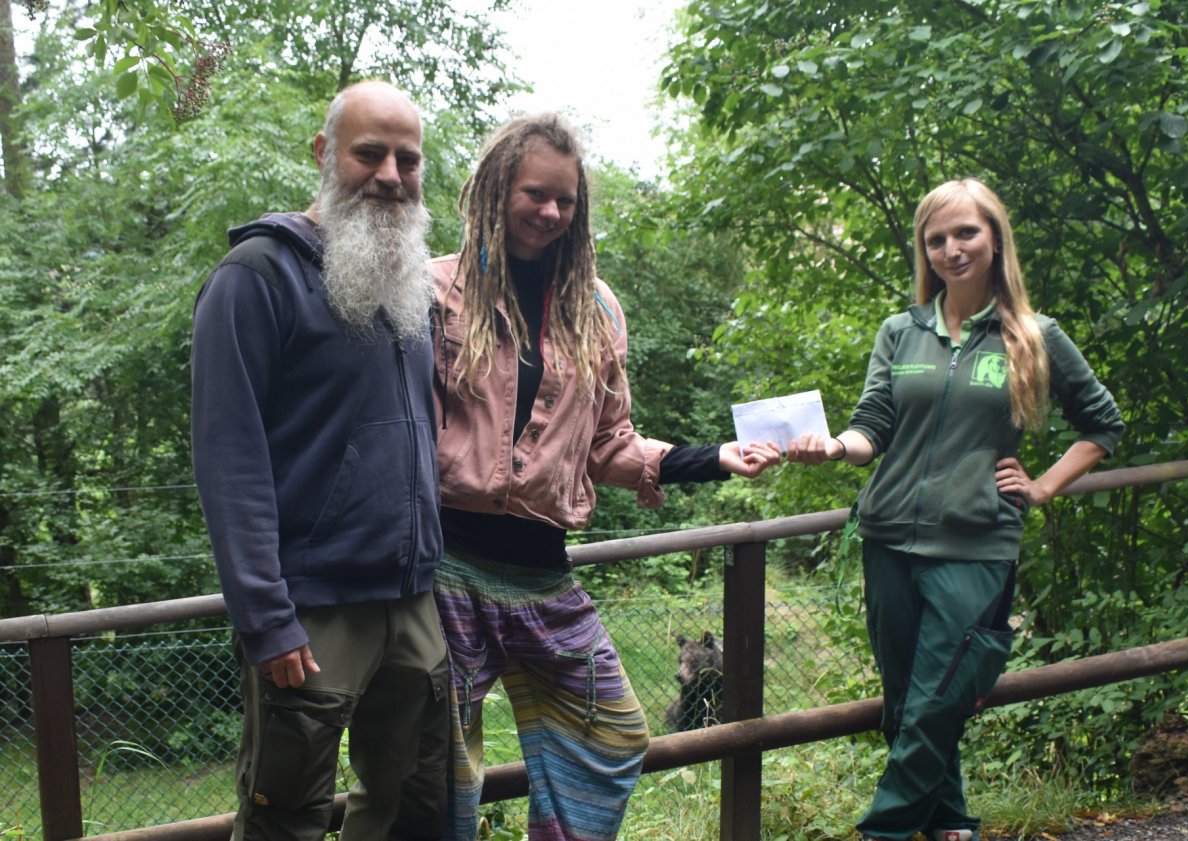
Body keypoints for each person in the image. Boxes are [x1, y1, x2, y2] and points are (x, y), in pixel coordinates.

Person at [422, 113, 780, 841]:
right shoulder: (434, 291)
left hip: (541, 575)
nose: (552, 213)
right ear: (495, 190)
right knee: (439, 772)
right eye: (535, 194)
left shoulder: (596, 310)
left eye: (567, 200)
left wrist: (712, 457)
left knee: (612, 736)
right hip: (444, 570)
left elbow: (609, 443)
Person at [788, 178, 1124, 841]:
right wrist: (832, 446)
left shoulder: (1034, 335)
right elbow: (872, 426)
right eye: (936, 238)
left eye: (965, 232)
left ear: (995, 238)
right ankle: (953, 823)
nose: (951, 248)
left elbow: (1102, 425)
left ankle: (880, 831)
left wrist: (1046, 484)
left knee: (937, 701)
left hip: (977, 545)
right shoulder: (900, 332)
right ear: (924, 250)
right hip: (887, 538)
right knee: (905, 703)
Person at [191, 80, 449, 841]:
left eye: (408, 159)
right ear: (324, 152)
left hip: (411, 601)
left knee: (409, 807)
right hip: (309, 612)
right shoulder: (256, 277)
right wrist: (266, 619)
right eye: (370, 153)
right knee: (286, 818)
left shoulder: (410, 283)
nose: (391, 175)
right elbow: (228, 459)